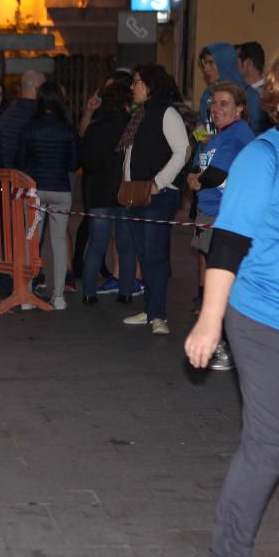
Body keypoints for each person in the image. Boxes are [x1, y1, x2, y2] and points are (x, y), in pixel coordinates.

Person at [184, 44, 279, 557]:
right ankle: (228, 553)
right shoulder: (264, 157)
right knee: (272, 444)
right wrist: (209, 322)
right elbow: (227, 242)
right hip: (268, 323)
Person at [185, 81, 254, 368]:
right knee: (220, 280)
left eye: (225, 103)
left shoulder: (237, 134)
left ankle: (227, 346)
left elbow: (214, 175)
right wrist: (195, 178)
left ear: (239, 108)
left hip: (225, 218)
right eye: (214, 102)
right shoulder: (218, 136)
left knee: (226, 284)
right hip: (211, 214)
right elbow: (200, 169)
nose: (217, 108)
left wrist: (197, 181)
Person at [119, 64, 189, 335]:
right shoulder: (141, 114)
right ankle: (150, 310)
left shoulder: (166, 112)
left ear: (149, 84)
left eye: (136, 82)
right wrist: (126, 187)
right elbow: (130, 156)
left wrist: (157, 183)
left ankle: (158, 315)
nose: (132, 87)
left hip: (158, 195)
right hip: (135, 194)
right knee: (145, 255)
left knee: (155, 255)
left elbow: (182, 151)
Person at [15, 81, 81, 310]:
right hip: (61, 189)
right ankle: (59, 296)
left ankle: (27, 294)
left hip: (35, 190)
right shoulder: (68, 129)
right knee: (59, 242)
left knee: (31, 241)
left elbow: (20, 161)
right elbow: (74, 163)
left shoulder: (28, 128)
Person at [80, 76, 136, 304]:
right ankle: (126, 293)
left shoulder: (95, 127)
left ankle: (89, 293)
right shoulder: (131, 125)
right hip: (124, 191)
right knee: (125, 245)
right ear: (126, 101)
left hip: (98, 192)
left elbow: (84, 158)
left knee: (96, 244)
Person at [198, 42, 266, 135]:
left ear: (225, 63)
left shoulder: (250, 97)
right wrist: (202, 138)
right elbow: (199, 126)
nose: (206, 69)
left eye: (211, 63)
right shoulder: (208, 93)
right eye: (205, 63)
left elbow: (257, 135)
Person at [0, 70, 44, 169]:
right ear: (37, 89)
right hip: (30, 176)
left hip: (8, 174)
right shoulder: (39, 115)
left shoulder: (6, 113)